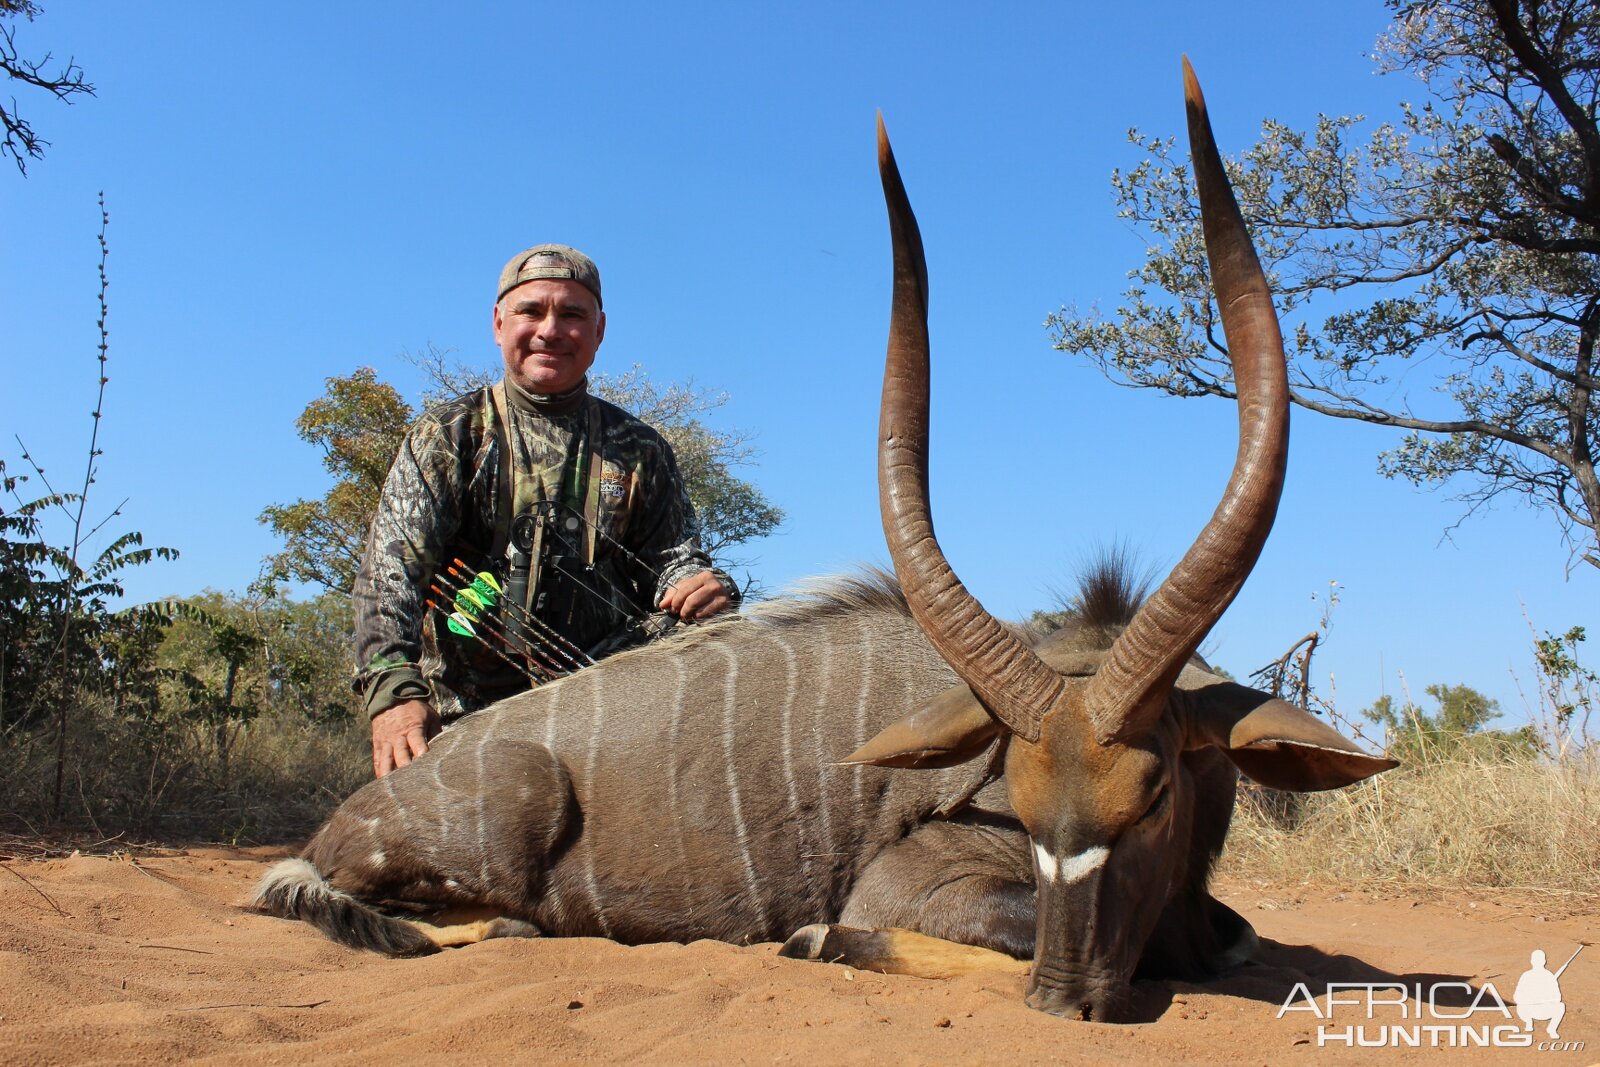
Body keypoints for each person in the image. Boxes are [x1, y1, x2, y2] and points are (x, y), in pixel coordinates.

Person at [352, 245, 738, 777]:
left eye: (572, 315)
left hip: (607, 717)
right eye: (531, 311)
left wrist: (700, 582)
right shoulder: (447, 436)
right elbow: (390, 574)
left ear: (599, 331)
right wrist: (394, 694)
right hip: (462, 719)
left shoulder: (641, 449)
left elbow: (671, 561)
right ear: (498, 323)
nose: (550, 330)